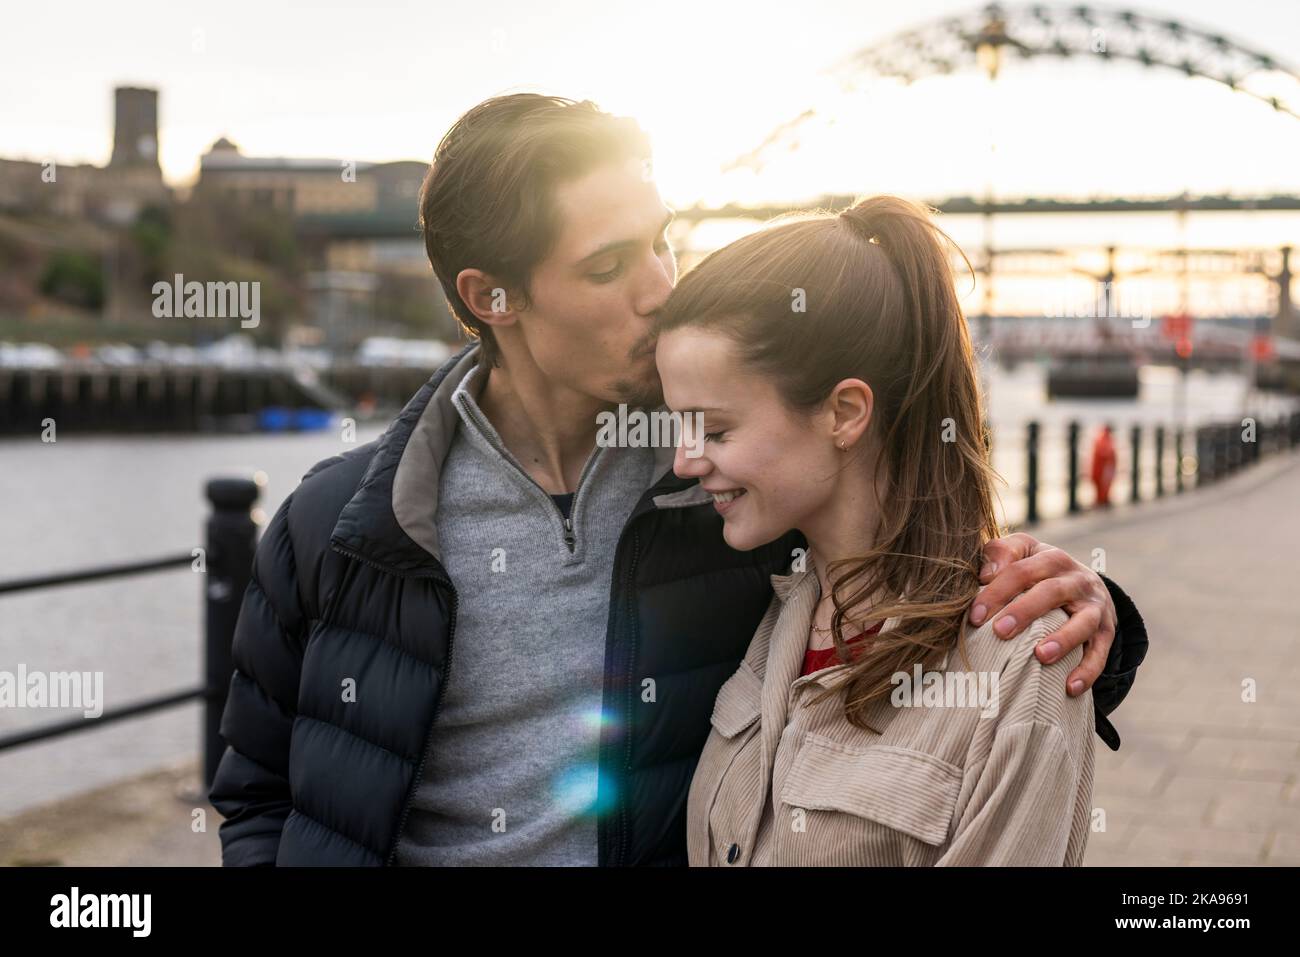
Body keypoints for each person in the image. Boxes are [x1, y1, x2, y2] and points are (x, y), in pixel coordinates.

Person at [207, 94, 1148, 866]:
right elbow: (255, 792)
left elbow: (911, 578)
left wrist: (1095, 610)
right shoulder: (337, 527)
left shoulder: (728, 489)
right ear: (491, 297)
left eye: (662, 240)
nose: (661, 286)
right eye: (610, 265)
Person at [657, 196, 1102, 865]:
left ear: (843, 412)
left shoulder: (1021, 668)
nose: (682, 461)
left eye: (715, 429)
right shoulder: (770, 612)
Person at [1091, 423, 1118, 507]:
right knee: (1103, 484)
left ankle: (1102, 500)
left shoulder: (1101, 438)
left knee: (1103, 484)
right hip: (1103, 467)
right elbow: (1106, 453)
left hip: (1102, 467)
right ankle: (1102, 500)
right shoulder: (1104, 439)